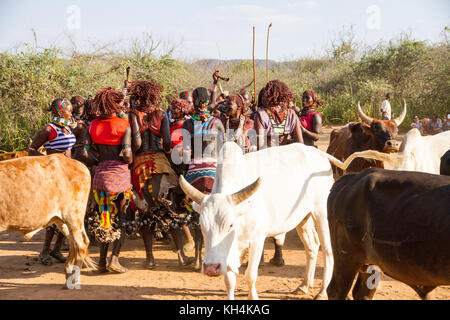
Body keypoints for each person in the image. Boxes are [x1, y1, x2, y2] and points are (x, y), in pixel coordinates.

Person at [128, 80, 194, 268]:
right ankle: (181, 256)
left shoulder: (133, 114)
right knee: (170, 208)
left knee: (145, 212)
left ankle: (150, 258)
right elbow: (166, 143)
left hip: (140, 165)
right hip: (161, 163)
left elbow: (138, 144)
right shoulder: (161, 114)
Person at [253, 80, 304, 266]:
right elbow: (300, 144)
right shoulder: (291, 114)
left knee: (260, 209)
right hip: (287, 166)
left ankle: (258, 256)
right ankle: (279, 253)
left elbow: (259, 146)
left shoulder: (260, 114)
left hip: (267, 166)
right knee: (281, 208)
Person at [83, 87, 133, 273]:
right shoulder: (123, 125)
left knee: (105, 219)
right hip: (119, 177)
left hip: (100, 177)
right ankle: (115, 259)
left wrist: (100, 162)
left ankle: (102, 262)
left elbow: (84, 152)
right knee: (121, 218)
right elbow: (127, 153)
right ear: (113, 105)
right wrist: (127, 160)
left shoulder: (92, 125)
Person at [28, 98, 76, 265]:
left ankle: (57, 249)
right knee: (54, 215)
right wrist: (50, 161)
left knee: (67, 215)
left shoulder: (68, 128)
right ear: (59, 112)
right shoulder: (49, 130)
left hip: (68, 176)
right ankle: (44, 252)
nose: (71, 113)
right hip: (54, 177)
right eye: (68, 110)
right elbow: (31, 150)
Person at [182, 86, 226, 270]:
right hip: (214, 173)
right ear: (207, 101)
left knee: (195, 216)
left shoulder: (187, 124)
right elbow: (223, 151)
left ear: (193, 100)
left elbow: (185, 156)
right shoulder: (217, 122)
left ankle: (198, 258)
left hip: (194, 175)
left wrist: (184, 171)